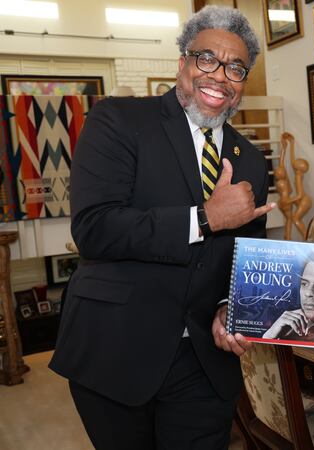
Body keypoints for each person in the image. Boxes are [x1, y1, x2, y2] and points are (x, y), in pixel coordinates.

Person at [49, 6, 275, 450]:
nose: (220, 76)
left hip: (205, 363)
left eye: (235, 68)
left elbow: (249, 254)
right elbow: (94, 228)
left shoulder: (250, 158)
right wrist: (205, 217)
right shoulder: (118, 120)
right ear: (182, 63)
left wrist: (232, 304)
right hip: (116, 351)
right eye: (206, 59)